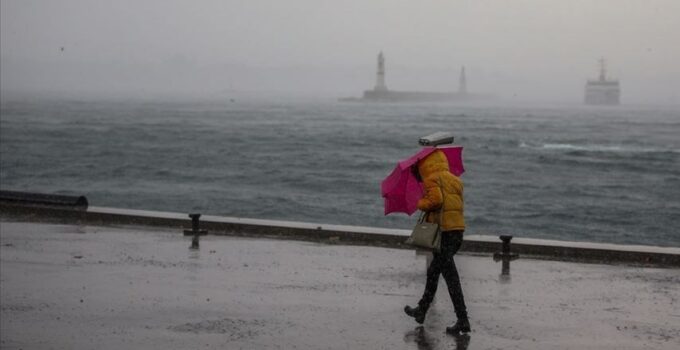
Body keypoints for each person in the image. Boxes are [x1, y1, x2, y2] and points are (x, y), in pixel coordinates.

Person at [404, 149, 470, 334]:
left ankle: (461, 319)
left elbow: (436, 201)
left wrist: (420, 203)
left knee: (445, 276)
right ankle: (422, 310)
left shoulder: (432, 179)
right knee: (438, 273)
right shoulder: (455, 179)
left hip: (443, 233)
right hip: (457, 231)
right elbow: (453, 204)